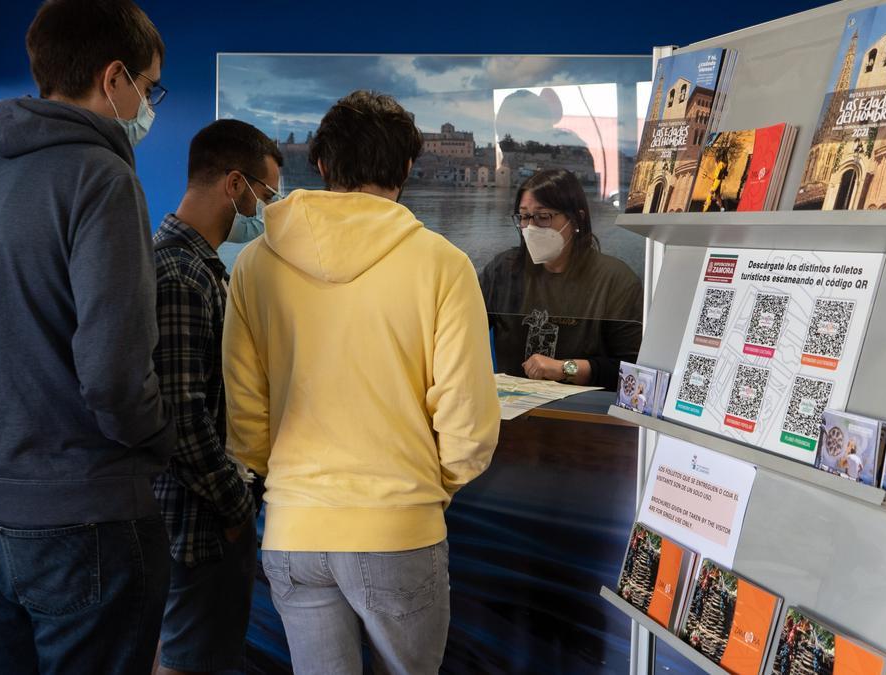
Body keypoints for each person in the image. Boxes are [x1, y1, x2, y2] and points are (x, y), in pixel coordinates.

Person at [0, 1, 174, 672]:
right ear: (114, 79)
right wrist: (162, 437)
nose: (147, 104)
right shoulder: (103, 178)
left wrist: (2, 410)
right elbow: (113, 376)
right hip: (86, 515)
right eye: (149, 86)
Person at [223, 90, 500, 675]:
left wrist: (292, 478)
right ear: (406, 167)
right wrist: (428, 485)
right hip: (399, 522)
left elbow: (244, 417)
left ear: (322, 164)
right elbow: (468, 424)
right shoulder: (443, 264)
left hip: (293, 527)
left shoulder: (254, 262)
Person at [151, 119, 282, 675]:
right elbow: (183, 415)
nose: (268, 210)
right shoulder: (182, 274)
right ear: (235, 184)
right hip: (198, 519)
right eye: (267, 194)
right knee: (195, 656)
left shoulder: (198, 265)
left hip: (201, 511)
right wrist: (235, 506)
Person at [479, 169, 643, 391]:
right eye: (524, 216)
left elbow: (631, 371)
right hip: (513, 409)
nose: (531, 227)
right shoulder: (503, 271)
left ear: (577, 219)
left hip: (585, 415)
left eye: (543, 217)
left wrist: (565, 368)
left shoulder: (615, 281)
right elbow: (465, 331)